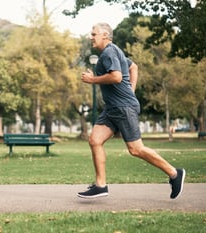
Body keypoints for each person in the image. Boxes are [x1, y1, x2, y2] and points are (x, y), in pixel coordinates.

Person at [78, 23, 185, 199]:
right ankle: (100, 185)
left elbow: (116, 76)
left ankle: (174, 173)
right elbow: (133, 67)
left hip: (123, 108)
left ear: (105, 35)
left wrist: (93, 79)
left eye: (94, 34)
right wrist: (131, 90)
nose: (91, 37)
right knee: (95, 140)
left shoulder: (109, 53)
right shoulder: (112, 51)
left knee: (136, 149)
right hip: (113, 108)